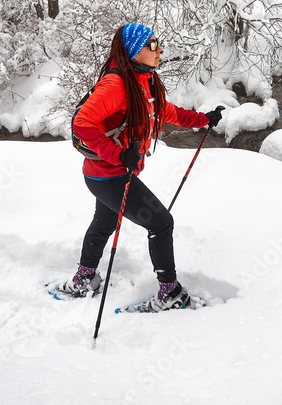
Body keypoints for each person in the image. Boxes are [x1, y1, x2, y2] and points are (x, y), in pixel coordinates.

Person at [61, 23, 224, 311]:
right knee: (161, 223)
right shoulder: (116, 85)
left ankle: (84, 279)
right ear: (135, 51)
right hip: (108, 176)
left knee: (104, 222)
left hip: (106, 174)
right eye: (152, 45)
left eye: (158, 43)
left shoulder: (144, 80)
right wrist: (118, 155)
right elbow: (82, 123)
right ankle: (169, 293)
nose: (159, 49)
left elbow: (165, 110)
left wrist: (202, 119)